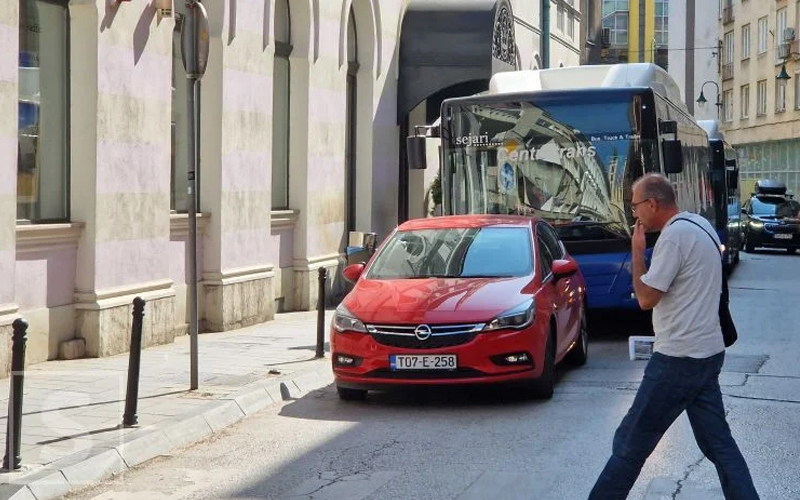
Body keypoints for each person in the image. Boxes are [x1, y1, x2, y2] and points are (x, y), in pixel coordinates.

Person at [588, 173, 759, 499]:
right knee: (719, 444)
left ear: (652, 203)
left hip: (677, 360)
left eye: (635, 205)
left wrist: (637, 252)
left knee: (630, 444)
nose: (634, 213)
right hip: (707, 354)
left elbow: (645, 298)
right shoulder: (700, 225)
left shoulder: (673, 237)